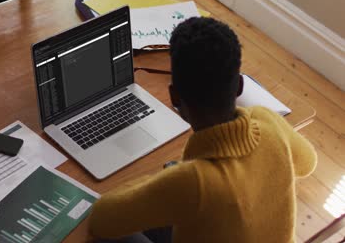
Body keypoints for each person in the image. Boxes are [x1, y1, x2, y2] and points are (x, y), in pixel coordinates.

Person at [87, 17, 317, 243]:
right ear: (238, 85)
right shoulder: (268, 120)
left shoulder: (191, 182)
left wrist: (164, 181)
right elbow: (308, 163)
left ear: (175, 96)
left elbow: (101, 219)